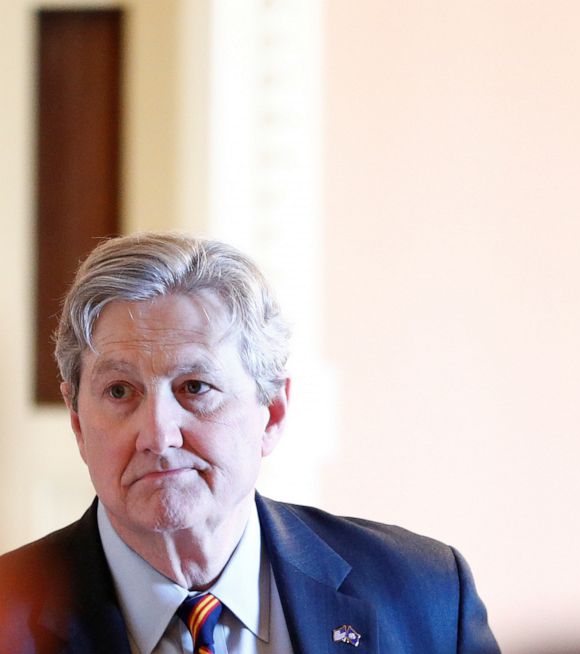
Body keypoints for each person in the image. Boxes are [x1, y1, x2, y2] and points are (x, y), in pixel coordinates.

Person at [0, 232, 500, 653]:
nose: (157, 435)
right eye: (119, 392)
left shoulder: (425, 594)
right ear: (78, 421)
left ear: (273, 413)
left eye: (195, 388)